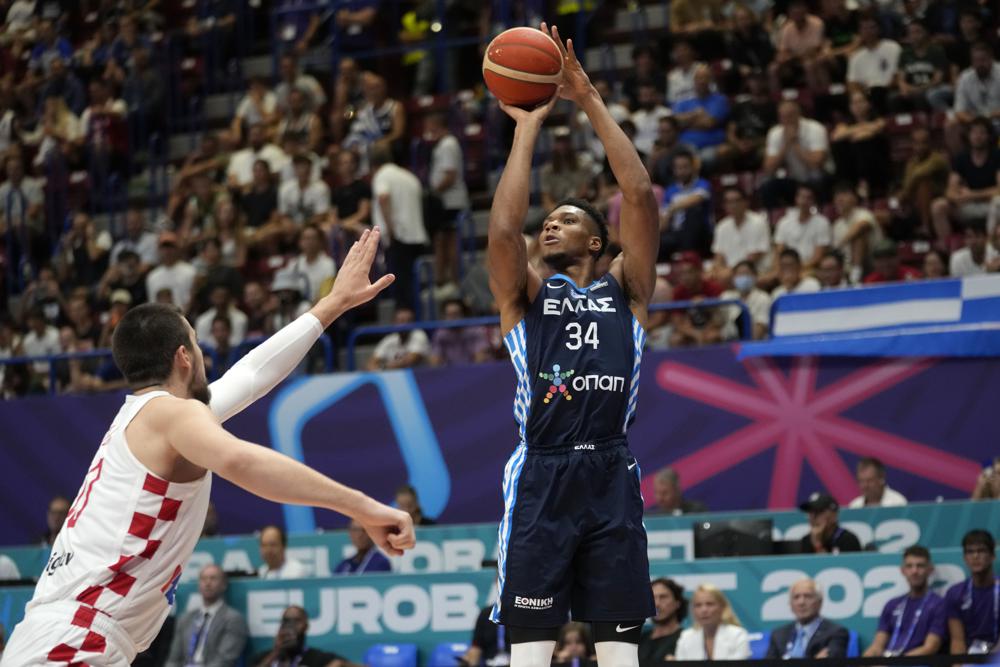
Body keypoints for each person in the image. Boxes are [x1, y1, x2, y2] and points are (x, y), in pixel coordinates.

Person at [0, 229, 415, 665]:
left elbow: (251, 375)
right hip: (76, 640)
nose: (202, 355)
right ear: (183, 356)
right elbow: (241, 459)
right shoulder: (171, 415)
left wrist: (333, 304)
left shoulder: (150, 418)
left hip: (56, 635)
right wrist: (365, 507)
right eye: (196, 344)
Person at [486, 23, 658, 664]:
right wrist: (526, 127)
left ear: (597, 243)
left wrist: (585, 98)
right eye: (548, 220)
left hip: (612, 471)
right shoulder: (526, 299)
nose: (549, 222)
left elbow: (638, 194)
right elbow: (504, 233)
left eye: (568, 220)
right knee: (530, 655)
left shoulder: (628, 291)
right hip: (542, 472)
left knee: (619, 655)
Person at [370, 145, 427, 310]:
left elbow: (383, 197)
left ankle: (405, 318)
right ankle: (413, 316)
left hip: (399, 237)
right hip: (417, 236)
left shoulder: (382, 175)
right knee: (412, 283)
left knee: (401, 286)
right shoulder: (409, 177)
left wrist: (390, 228)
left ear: (373, 165)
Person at [864, 546, 947, 657]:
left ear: (929, 570)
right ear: (903, 570)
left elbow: (930, 648)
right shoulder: (892, 605)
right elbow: (877, 646)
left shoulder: (939, 605)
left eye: (920, 566)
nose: (914, 571)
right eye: (909, 566)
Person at [164, 564, 247, 666]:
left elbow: (224, 661)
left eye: (213, 578)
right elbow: (173, 660)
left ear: (224, 585)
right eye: (203, 579)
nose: (208, 583)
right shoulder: (185, 619)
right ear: (198, 584)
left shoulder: (233, 619)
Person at [425, 112, 470, 295]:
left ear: (437, 125)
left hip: (451, 202)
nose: (427, 131)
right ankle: (442, 279)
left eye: (429, 126)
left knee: (449, 241)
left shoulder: (448, 144)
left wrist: (433, 191)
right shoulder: (441, 145)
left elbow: (450, 175)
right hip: (444, 202)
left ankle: (453, 279)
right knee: (441, 240)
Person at [761, 102, 831, 209]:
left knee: (816, 178)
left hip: (820, 176)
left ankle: (823, 213)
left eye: (790, 116)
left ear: (798, 114)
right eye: (782, 117)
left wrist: (795, 143)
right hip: (794, 179)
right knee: (767, 184)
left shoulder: (815, 128)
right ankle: (775, 220)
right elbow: (769, 169)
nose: (786, 120)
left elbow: (815, 165)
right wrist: (786, 145)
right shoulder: (775, 133)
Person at [946, 529, 999, 655]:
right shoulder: (955, 593)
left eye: (981, 551)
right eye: (970, 552)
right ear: (965, 558)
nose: (975, 556)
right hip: (971, 657)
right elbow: (957, 640)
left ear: (992, 556)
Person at [766, 579, 849, 658]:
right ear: (790, 604)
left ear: (820, 601)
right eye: (796, 597)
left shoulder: (836, 633)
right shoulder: (778, 635)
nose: (801, 602)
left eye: (808, 596)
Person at [251, 605, 354, 667]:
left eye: (296, 621)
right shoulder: (263, 657)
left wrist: (342, 664)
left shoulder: (318, 658)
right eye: (286, 621)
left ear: (306, 626)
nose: (291, 626)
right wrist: (276, 652)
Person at [659, 151, 713, 260]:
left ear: (693, 167)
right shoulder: (670, 190)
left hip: (700, 233)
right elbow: (664, 218)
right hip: (676, 233)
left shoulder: (702, 183)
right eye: (678, 168)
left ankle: (687, 254)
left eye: (685, 167)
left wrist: (672, 208)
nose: (682, 171)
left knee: (693, 211)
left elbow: (697, 199)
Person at [674, 584, 750, 660]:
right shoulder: (685, 638)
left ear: (722, 607)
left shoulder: (737, 635)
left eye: (710, 604)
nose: (704, 610)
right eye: (698, 605)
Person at [711, 187, 770, 277]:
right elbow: (719, 256)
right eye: (729, 202)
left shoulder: (758, 222)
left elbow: (755, 255)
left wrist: (731, 272)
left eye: (736, 201)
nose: (733, 205)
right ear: (724, 205)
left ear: (746, 202)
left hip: (755, 272)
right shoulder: (722, 226)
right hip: (729, 273)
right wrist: (720, 271)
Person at [774, 185, 832, 271]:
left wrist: (796, 270)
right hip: (786, 269)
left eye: (808, 198)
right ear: (796, 198)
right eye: (801, 197)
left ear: (813, 201)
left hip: (810, 269)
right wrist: (778, 271)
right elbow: (779, 252)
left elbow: (818, 257)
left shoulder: (822, 222)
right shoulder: (784, 222)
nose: (804, 201)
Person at [430, 298, 493, 366]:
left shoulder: (475, 331)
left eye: (456, 314)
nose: (452, 318)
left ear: (463, 314)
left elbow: (481, 358)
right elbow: (434, 361)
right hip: (450, 373)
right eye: (449, 315)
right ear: (444, 316)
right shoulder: (440, 334)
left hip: (474, 372)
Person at [639, 578, 686, 667]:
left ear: (677, 603)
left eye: (663, 597)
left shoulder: (686, 639)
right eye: (652, 597)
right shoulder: (639, 640)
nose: (657, 604)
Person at [366, 307, 430, 371]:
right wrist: (379, 368)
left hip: (419, 377)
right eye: (401, 321)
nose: (405, 324)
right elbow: (370, 364)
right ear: (394, 322)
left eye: (408, 321)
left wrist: (383, 367)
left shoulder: (419, 334)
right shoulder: (389, 339)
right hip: (394, 377)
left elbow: (411, 360)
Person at [146, 232, 197, 309]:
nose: (167, 251)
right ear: (159, 250)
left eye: (170, 247)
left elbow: (192, 300)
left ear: (177, 248)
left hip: (185, 317)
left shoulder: (190, 272)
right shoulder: (152, 276)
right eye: (164, 247)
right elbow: (152, 303)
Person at [798, 492, 863, 553]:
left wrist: (817, 544)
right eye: (810, 513)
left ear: (834, 515)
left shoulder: (848, 540)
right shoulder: (806, 540)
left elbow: (832, 565)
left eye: (818, 512)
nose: (812, 518)